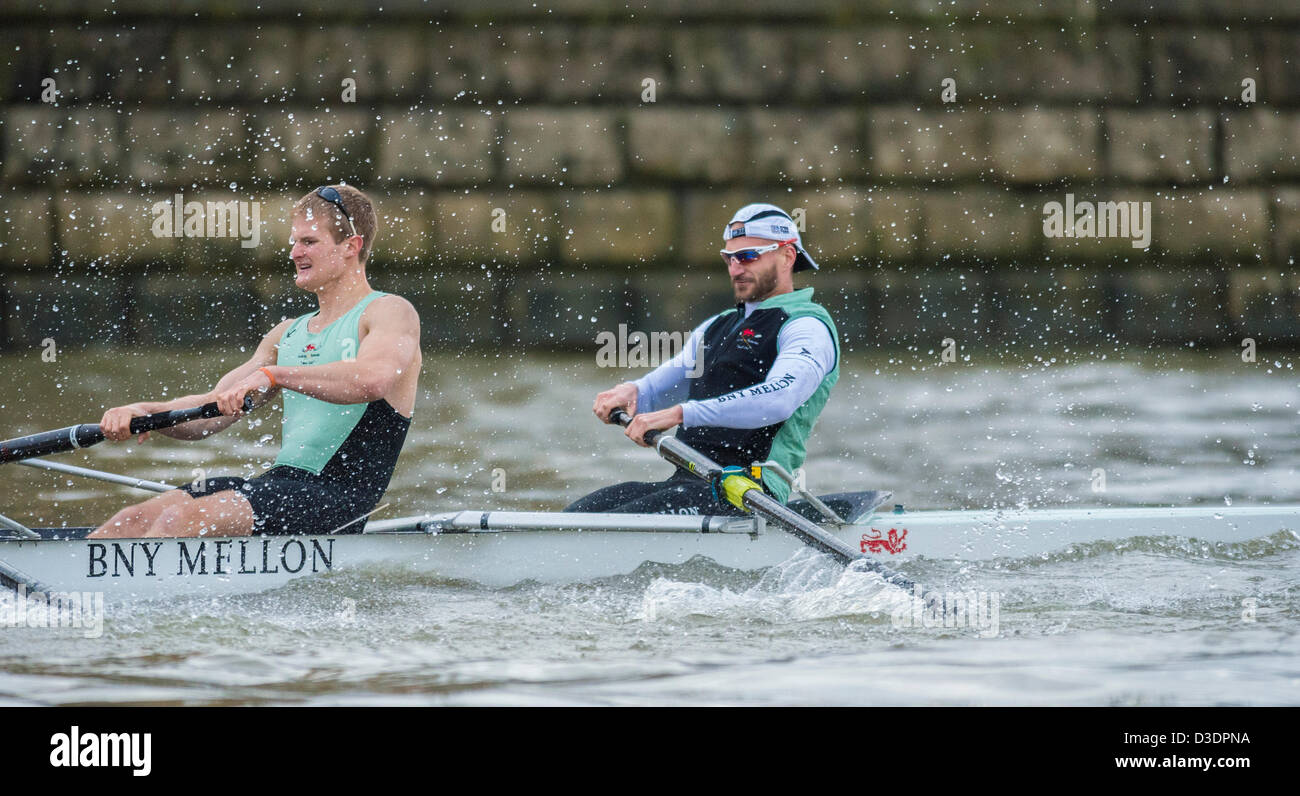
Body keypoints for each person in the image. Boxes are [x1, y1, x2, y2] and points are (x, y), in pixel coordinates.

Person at [91, 185, 422, 539]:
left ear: (350, 247)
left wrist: (274, 375)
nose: (295, 252)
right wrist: (147, 414)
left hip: (338, 500)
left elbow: (370, 380)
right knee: (131, 520)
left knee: (180, 521)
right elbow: (213, 411)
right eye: (294, 242)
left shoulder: (389, 312)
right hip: (282, 486)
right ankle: (75, 593)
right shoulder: (286, 335)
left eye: (309, 242)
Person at [569, 202, 839, 516]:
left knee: (598, 529)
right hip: (690, 483)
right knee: (578, 515)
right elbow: (662, 386)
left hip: (750, 495)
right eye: (730, 258)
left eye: (748, 256)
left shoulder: (807, 326)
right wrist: (633, 392)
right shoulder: (718, 325)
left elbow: (778, 399)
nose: (736, 269)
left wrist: (681, 414)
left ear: (787, 256)